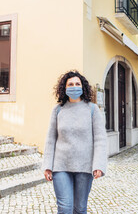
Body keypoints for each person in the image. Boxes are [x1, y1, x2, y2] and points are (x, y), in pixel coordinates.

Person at [42, 70, 108, 214]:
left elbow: (100, 139)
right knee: (65, 208)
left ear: (83, 87)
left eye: (77, 83)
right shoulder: (58, 110)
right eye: (70, 84)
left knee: (79, 208)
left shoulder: (92, 109)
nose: (74, 86)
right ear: (64, 88)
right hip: (61, 166)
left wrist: (99, 164)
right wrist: (47, 165)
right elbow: (51, 138)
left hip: (85, 167)